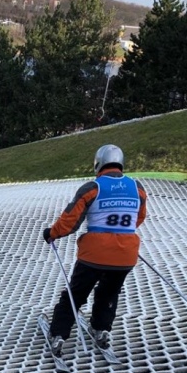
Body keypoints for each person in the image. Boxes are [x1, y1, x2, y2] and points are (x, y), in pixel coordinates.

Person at [42, 144, 147, 356]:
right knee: (109, 292)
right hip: (126, 255)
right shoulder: (137, 187)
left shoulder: (92, 188)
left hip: (94, 255)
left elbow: (70, 221)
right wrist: (121, 235)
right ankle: (101, 329)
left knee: (75, 294)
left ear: (98, 163)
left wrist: (52, 233)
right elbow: (139, 217)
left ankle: (58, 334)